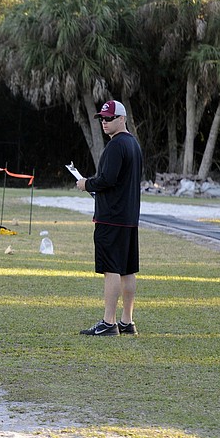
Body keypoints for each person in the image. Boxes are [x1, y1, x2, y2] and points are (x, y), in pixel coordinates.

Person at [76, 100, 143, 337]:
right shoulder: (134, 144)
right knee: (127, 269)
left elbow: (107, 179)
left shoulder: (116, 145)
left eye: (109, 118)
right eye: (102, 119)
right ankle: (127, 321)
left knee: (111, 269)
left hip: (111, 218)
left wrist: (86, 184)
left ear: (122, 119)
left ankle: (108, 322)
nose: (105, 122)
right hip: (128, 217)